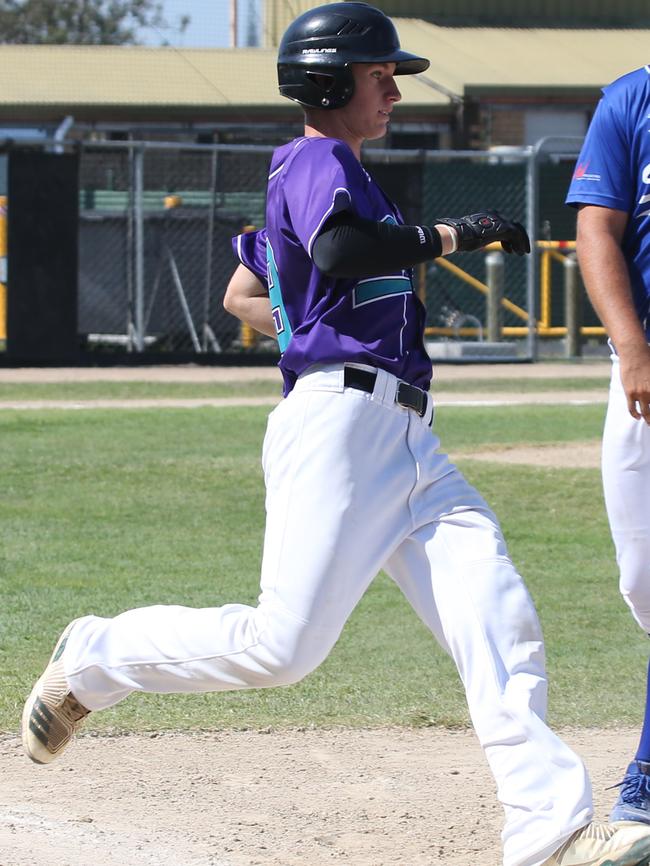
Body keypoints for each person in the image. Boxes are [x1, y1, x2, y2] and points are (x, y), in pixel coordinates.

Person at [22, 6, 650, 865]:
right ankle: (97, 656)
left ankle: (548, 829)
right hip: (343, 425)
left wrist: (304, 316)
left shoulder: (343, 171)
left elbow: (254, 284)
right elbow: (345, 249)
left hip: (408, 437)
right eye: (378, 72)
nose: (395, 86)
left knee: (495, 609)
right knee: (280, 650)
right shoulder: (315, 158)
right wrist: (451, 237)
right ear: (326, 82)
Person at [566, 65, 650, 824]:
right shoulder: (632, 99)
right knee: (643, 579)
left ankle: (647, 783)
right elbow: (596, 228)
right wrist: (632, 350)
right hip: (647, 368)